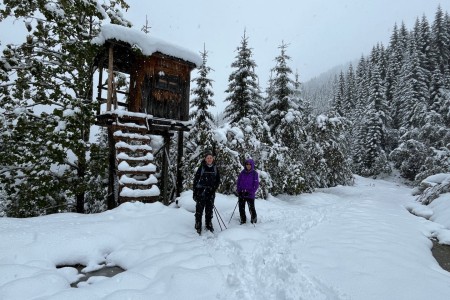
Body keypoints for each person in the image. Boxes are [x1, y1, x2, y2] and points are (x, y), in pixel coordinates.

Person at [193, 150, 221, 234]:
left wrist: (213, 188)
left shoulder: (215, 168)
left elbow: (218, 180)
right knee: (199, 210)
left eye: (210, 158)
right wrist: (195, 193)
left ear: (213, 159)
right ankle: (198, 224)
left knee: (209, 209)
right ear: (205, 159)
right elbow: (195, 181)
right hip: (201, 192)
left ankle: (208, 224)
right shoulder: (201, 168)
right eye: (208, 158)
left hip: (211, 192)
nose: (209, 159)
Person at [236, 158, 259, 224]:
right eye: (247, 164)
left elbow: (256, 185)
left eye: (249, 164)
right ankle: (243, 220)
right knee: (241, 208)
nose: (248, 165)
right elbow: (238, 182)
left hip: (250, 194)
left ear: (252, 165)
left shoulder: (255, 174)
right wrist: (239, 191)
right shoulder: (242, 173)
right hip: (242, 193)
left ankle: (254, 220)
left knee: (251, 208)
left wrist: (250, 192)